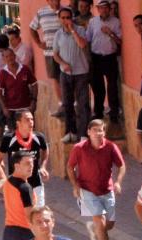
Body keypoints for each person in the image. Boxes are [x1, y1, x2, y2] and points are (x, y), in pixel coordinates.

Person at [67, 116, 123, 240]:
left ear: (104, 132)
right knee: (101, 220)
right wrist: (75, 185)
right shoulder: (79, 148)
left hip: (107, 189)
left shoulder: (111, 147)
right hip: (88, 190)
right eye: (95, 130)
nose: (98, 133)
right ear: (89, 132)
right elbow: (70, 167)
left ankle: (94, 228)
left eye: (101, 130)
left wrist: (118, 182)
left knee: (109, 224)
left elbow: (121, 165)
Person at [49, 5, 89, 143]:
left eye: (68, 17)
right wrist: (62, 64)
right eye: (63, 18)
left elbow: (83, 45)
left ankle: (83, 134)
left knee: (83, 104)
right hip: (65, 74)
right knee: (68, 103)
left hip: (81, 72)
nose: (66, 20)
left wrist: (72, 30)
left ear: (72, 18)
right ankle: (70, 131)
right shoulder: (58, 34)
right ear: (59, 19)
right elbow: (55, 54)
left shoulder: (81, 30)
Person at [0, 108, 46, 207]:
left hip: (35, 183)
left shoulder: (39, 137)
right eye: (27, 120)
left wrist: (43, 166)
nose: (31, 122)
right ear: (18, 123)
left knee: (38, 215)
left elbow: (45, 150)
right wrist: (2, 176)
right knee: (20, 218)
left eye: (32, 119)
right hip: (16, 185)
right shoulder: (9, 139)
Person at [85, 0, 120, 122]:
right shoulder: (93, 22)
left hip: (110, 57)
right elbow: (88, 39)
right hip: (96, 57)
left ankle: (114, 114)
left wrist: (110, 33)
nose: (104, 10)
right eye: (101, 8)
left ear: (109, 9)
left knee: (112, 86)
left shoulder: (116, 22)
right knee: (98, 87)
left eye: (106, 8)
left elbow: (120, 41)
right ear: (98, 9)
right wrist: (88, 57)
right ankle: (98, 112)